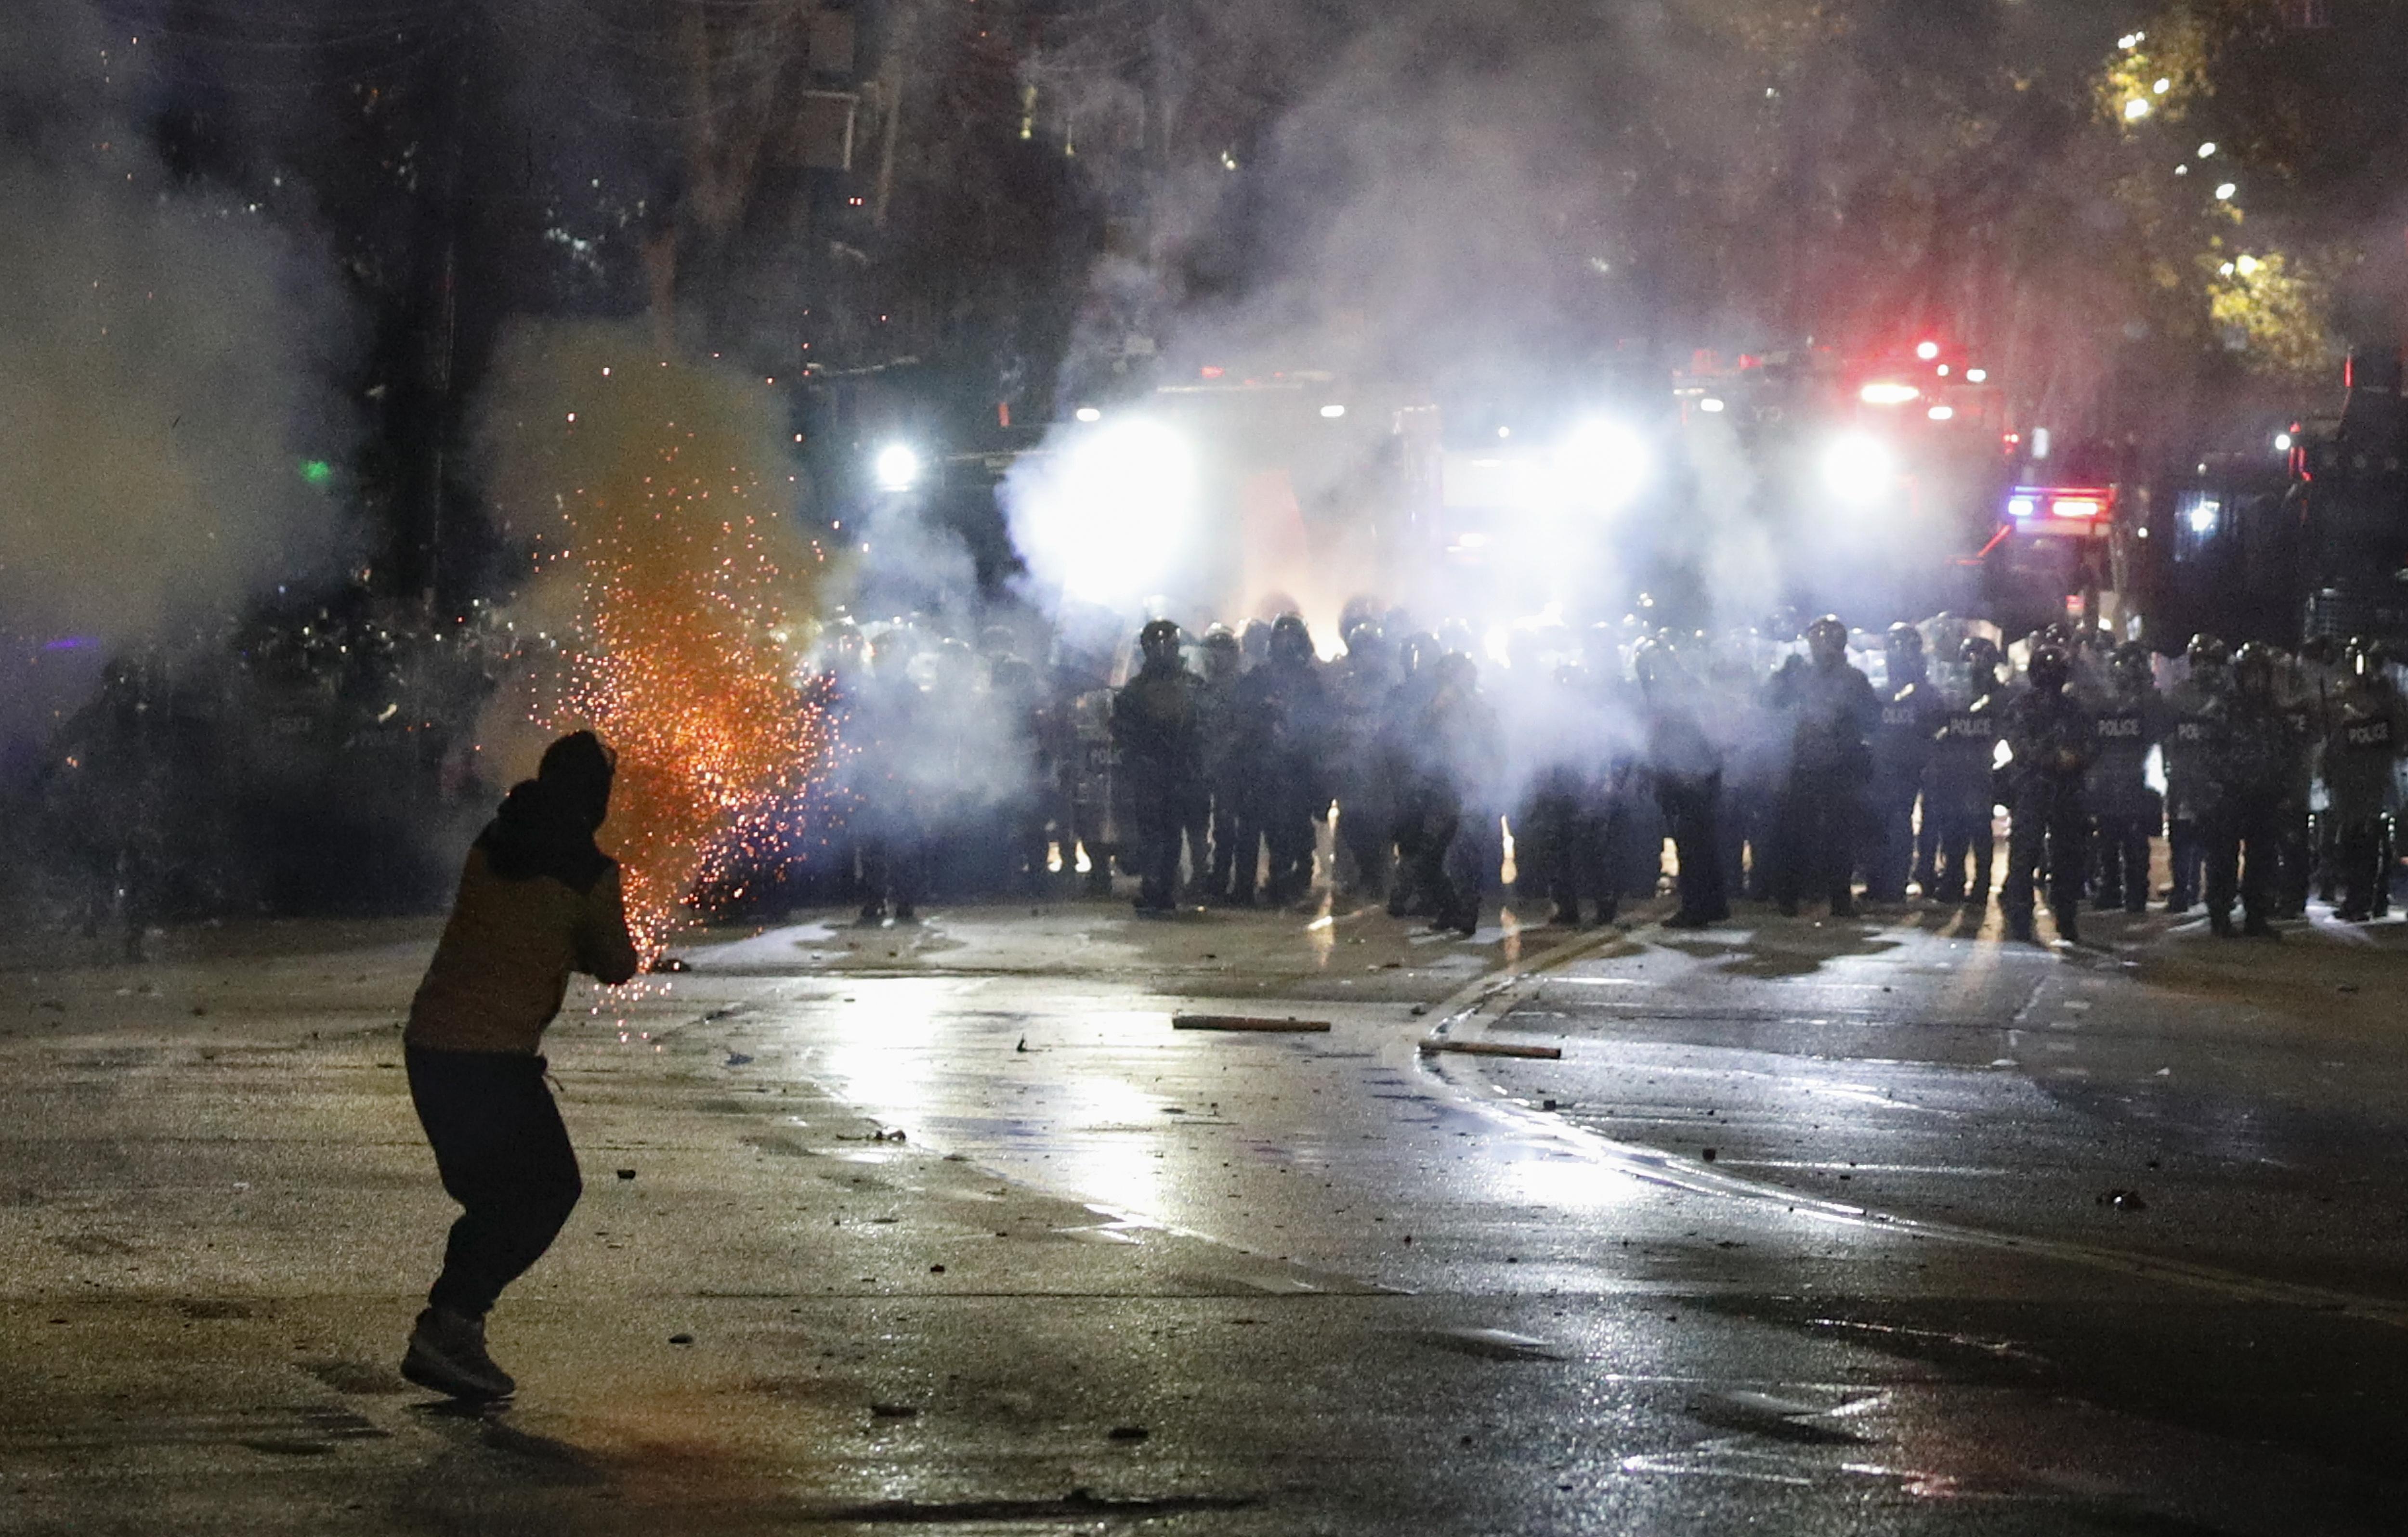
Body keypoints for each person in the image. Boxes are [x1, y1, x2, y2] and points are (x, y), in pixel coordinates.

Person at [400, 730, 640, 1401]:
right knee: (547, 1190)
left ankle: (452, 1328)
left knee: (497, 1199)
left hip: (430, 1048)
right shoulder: (590, 873)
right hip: (492, 1063)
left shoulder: (492, 840)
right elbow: (618, 963)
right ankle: (450, 1326)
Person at [1774, 615, 1877, 917]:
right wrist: (1783, 675)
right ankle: (1791, 896)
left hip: (1839, 767)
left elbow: (1872, 719)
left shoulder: (1854, 680)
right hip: (1806, 763)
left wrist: (1847, 722)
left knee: (1839, 835)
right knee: (1797, 833)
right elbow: (1772, 701)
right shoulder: (1801, 676)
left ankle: (1839, 898)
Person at [1231, 614, 1334, 906]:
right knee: (1262, 828)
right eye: (1282, 639)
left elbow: (1320, 727)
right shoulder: (1259, 678)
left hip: (1297, 766)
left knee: (1297, 827)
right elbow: (1242, 716)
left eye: (1292, 639)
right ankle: (1262, 883)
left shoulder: (1310, 681)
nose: (1287, 645)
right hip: (1263, 767)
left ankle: (1294, 876)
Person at [2203, 643, 2298, 938]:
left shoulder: (2274, 710)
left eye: (2261, 674)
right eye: (2251, 674)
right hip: (2232, 795)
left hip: (2265, 797)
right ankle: (2220, 916)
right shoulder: (2225, 707)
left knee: (2263, 859)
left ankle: (2256, 916)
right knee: (2223, 858)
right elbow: (2209, 751)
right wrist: (2231, 779)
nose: (2256, 680)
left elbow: (2285, 751)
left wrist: (2281, 786)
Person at [2001, 643, 2094, 944]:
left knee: (2066, 858)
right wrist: (2057, 759)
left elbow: (2091, 746)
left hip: (2064, 791)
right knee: (2025, 856)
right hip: (2034, 788)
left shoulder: (2073, 708)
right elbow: (2019, 747)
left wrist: (2075, 758)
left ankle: (2065, 919)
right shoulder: (2022, 706)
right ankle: (2020, 919)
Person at [1112, 620, 1206, 914]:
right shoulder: (1135, 691)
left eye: (1168, 644)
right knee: (1152, 833)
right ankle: (1156, 887)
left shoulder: (1191, 686)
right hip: (1151, 771)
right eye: (1157, 644)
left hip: (1180, 770)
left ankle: (1164, 887)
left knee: (1172, 833)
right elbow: (1123, 730)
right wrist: (1139, 758)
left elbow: (1204, 727)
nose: (1163, 650)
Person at [1638, 637, 1729, 928]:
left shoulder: (1680, 690)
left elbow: (1694, 732)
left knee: (1693, 847)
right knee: (1700, 845)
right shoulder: (1678, 687)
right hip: (1688, 774)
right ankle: (1713, 903)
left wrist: (1690, 771)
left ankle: (1697, 906)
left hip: (1690, 776)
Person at [2324, 639, 2404, 921]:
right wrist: (2329, 771)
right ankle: (2359, 899)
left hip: (2377, 783)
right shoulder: (2343, 698)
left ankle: (2370, 900)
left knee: (2374, 842)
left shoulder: (2390, 699)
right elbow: (2334, 741)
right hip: (2351, 784)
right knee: (2352, 843)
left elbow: (2399, 741)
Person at [1865, 622, 1944, 903]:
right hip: (1884, 764)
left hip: (1906, 766)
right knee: (1881, 823)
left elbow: (1934, 731)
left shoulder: (1923, 694)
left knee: (1898, 822)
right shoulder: (1885, 691)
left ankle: (1894, 883)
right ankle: (1879, 882)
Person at [2085, 641, 2165, 914]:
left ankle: (2135, 893)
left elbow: (2157, 738)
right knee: (2108, 841)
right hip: (2109, 782)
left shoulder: (2151, 703)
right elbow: (2093, 741)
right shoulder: (2105, 704)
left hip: (2136, 782)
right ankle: (2112, 889)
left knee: (2134, 844)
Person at [1927, 636, 2006, 909]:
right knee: (1953, 830)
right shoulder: (1952, 694)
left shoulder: (1997, 696)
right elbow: (1936, 729)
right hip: (1952, 771)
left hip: (1979, 771)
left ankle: (1981, 885)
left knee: (1978, 831)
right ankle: (1953, 880)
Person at [2161, 635, 2229, 913]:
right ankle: (2182, 890)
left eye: (2210, 662)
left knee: (2216, 842)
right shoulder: (2178, 695)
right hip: (2184, 778)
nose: (2204, 668)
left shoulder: (2228, 696)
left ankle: (2215, 893)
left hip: (2215, 781)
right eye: (2199, 662)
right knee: (2181, 838)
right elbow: (2168, 735)